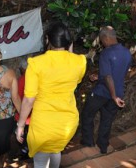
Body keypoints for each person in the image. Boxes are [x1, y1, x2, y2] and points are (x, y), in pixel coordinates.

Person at [16, 22, 87, 168]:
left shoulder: (36, 64)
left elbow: (29, 99)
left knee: (41, 160)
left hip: (44, 125)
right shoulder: (80, 62)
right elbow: (73, 73)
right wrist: (70, 49)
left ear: (47, 39)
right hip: (67, 123)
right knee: (56, 150)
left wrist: (21, 125)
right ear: (68, 42)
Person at [80, 26, 132, 154]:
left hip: (102, 92)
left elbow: (108, 77)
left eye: (102, 40)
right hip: (118, 92)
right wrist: (99, 77)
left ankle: (88, 141)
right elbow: (117, 73)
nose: (102, 43)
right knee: (107, 120)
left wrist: (113, 95)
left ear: (106, 38)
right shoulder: (127, 52)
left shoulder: (106, 53)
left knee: (87, 114)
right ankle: (103, 145)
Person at [14, 58, 31, 159]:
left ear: (23, 68)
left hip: (25, 115)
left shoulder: (20, 80)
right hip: (35, 114)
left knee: (22, 136)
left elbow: (18, 98)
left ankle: (25, 152)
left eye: (20, 68)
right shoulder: (35, 77)